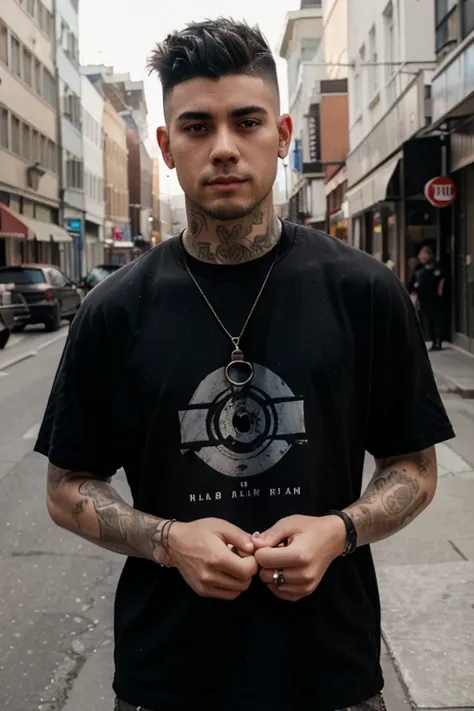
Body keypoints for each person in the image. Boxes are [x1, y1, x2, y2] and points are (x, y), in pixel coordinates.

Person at [35, 18, 455, 711]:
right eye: (197, 127)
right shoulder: (114, 311)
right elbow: (65, 486)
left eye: (247, 121)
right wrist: (170, 541)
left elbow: (414, 466)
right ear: (167, 146)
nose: (224, 148)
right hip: (167, 678)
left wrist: (339, 531)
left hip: (331, 674)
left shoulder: (363, 291)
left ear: (285, 134)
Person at [408, 246, 445, 351]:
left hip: (435, 298)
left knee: (436, 320)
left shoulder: (438, 268)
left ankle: (438, 341)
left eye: (426, 254)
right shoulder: (418, 268)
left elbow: (442, 282)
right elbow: (411, 283)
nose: (424, 257)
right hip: (422, 299)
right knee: (426, 321)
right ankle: (431, 340)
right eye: (422, 255)